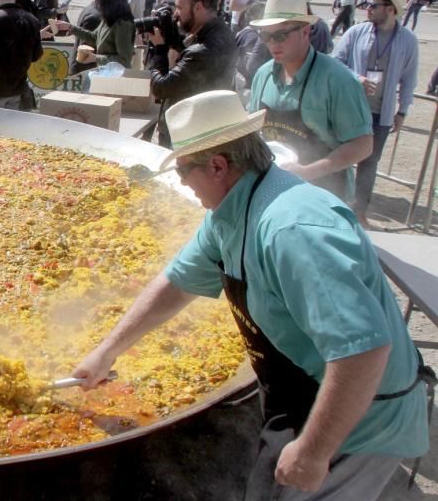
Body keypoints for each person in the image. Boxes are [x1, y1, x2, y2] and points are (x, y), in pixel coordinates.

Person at [73, 90, 431, 501]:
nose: (183, 183)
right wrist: (107, 352)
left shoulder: (293, 230)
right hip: (299, 391)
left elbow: (363, 351)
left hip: (359, 421)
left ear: (218, 166)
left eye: (184, 171)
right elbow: (178, 283)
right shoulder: (231, 209)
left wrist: (314, 451)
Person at [248, 0, 372, 200]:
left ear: (305, 31)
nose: (272, 44)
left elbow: (362, 145)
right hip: (275, 187)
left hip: (325, 192)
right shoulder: (263, 75)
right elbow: (252, 127)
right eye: (266, 36)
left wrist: (307, 172)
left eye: (280, 35)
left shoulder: (337, 79)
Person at [333, 0, 419, 227]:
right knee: (338, 157)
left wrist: (402, 110)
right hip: (349, 110)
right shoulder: (355, 32)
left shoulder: (408, 41)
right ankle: (334, 206)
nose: (367, 8)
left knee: (369, 164)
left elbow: (409, 78)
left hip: (380, 114)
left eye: (374, 5)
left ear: (391, 9)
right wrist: (355, 78)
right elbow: (334, 63)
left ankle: (359, 212)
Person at [146, 0, 238, 148]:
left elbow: (160, 88)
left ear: (198, 7)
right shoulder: (222, 33)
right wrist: (173, 41)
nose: (175, 15)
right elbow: (193, 61)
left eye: (180, 8)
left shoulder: (204, 51)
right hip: (201, 128)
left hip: (185, 137)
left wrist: (159, 48)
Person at [54, 0, 135, 71]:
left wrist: (95, 58)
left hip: (115, 78)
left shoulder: (123, 25)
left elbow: (124, 60)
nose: (98, 1)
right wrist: (70, 27)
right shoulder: (109, 18)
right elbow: (94, 37)